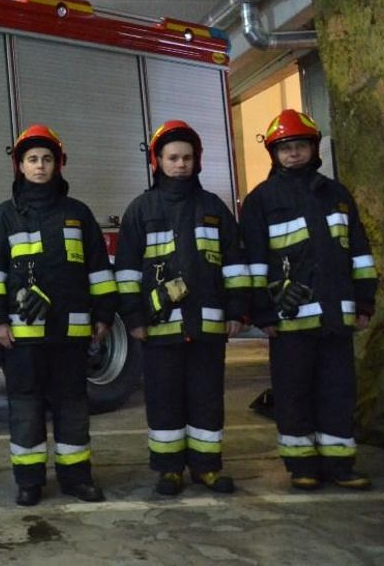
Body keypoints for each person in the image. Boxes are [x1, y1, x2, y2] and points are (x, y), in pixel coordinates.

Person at [0, 125, 116, 506]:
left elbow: (99, 271)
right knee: (25, 406)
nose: (40, 166)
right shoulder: (4, 217)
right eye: (32, 160)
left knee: (73, 405)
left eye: (47, 159)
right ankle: (29, 481)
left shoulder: (78, 215)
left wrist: (103, 315)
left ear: (58, 165)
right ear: (19, 166)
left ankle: (76, 478)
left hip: (71, 335)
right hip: (23, 338)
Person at [240, 109, 376, 491]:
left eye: (300, 146)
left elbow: (360, 254)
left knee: (338, 391)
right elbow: (252, 262)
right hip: (289, 321)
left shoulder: (337, 194)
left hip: (335, 319)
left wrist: (364, 303)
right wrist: (262, 311)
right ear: (274, 154)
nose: (293, 154)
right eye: (285, 149)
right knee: (293, 392)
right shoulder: (261, 200)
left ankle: (340, 465)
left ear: (314, 149)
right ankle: (301, 466)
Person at [114, 120, 248, 496]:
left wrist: (237, 311)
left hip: (207, 327)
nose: (181, 164)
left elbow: (235, 264)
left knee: (207, 397)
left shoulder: (213, 208)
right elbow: (126, 272)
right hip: (160, 329)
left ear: (197, 161)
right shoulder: (141, 210)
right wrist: (134, 318)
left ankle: (207, 467)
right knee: (163, 399)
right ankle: (169, 469)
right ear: (158, 161)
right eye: (173, 157)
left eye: (187, 157)